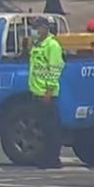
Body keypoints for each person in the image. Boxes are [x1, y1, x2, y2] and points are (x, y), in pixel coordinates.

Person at [27, 18, 64, 169]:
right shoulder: (38, 45)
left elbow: (55, 69)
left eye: (37, 28)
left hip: (46, 93)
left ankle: (52, 159)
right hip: (36, 92)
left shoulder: (52, 45)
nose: (34, 31)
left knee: (51, 129)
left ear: (45, 28)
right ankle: (45, 158)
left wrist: (49, 89)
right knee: (41, 128)